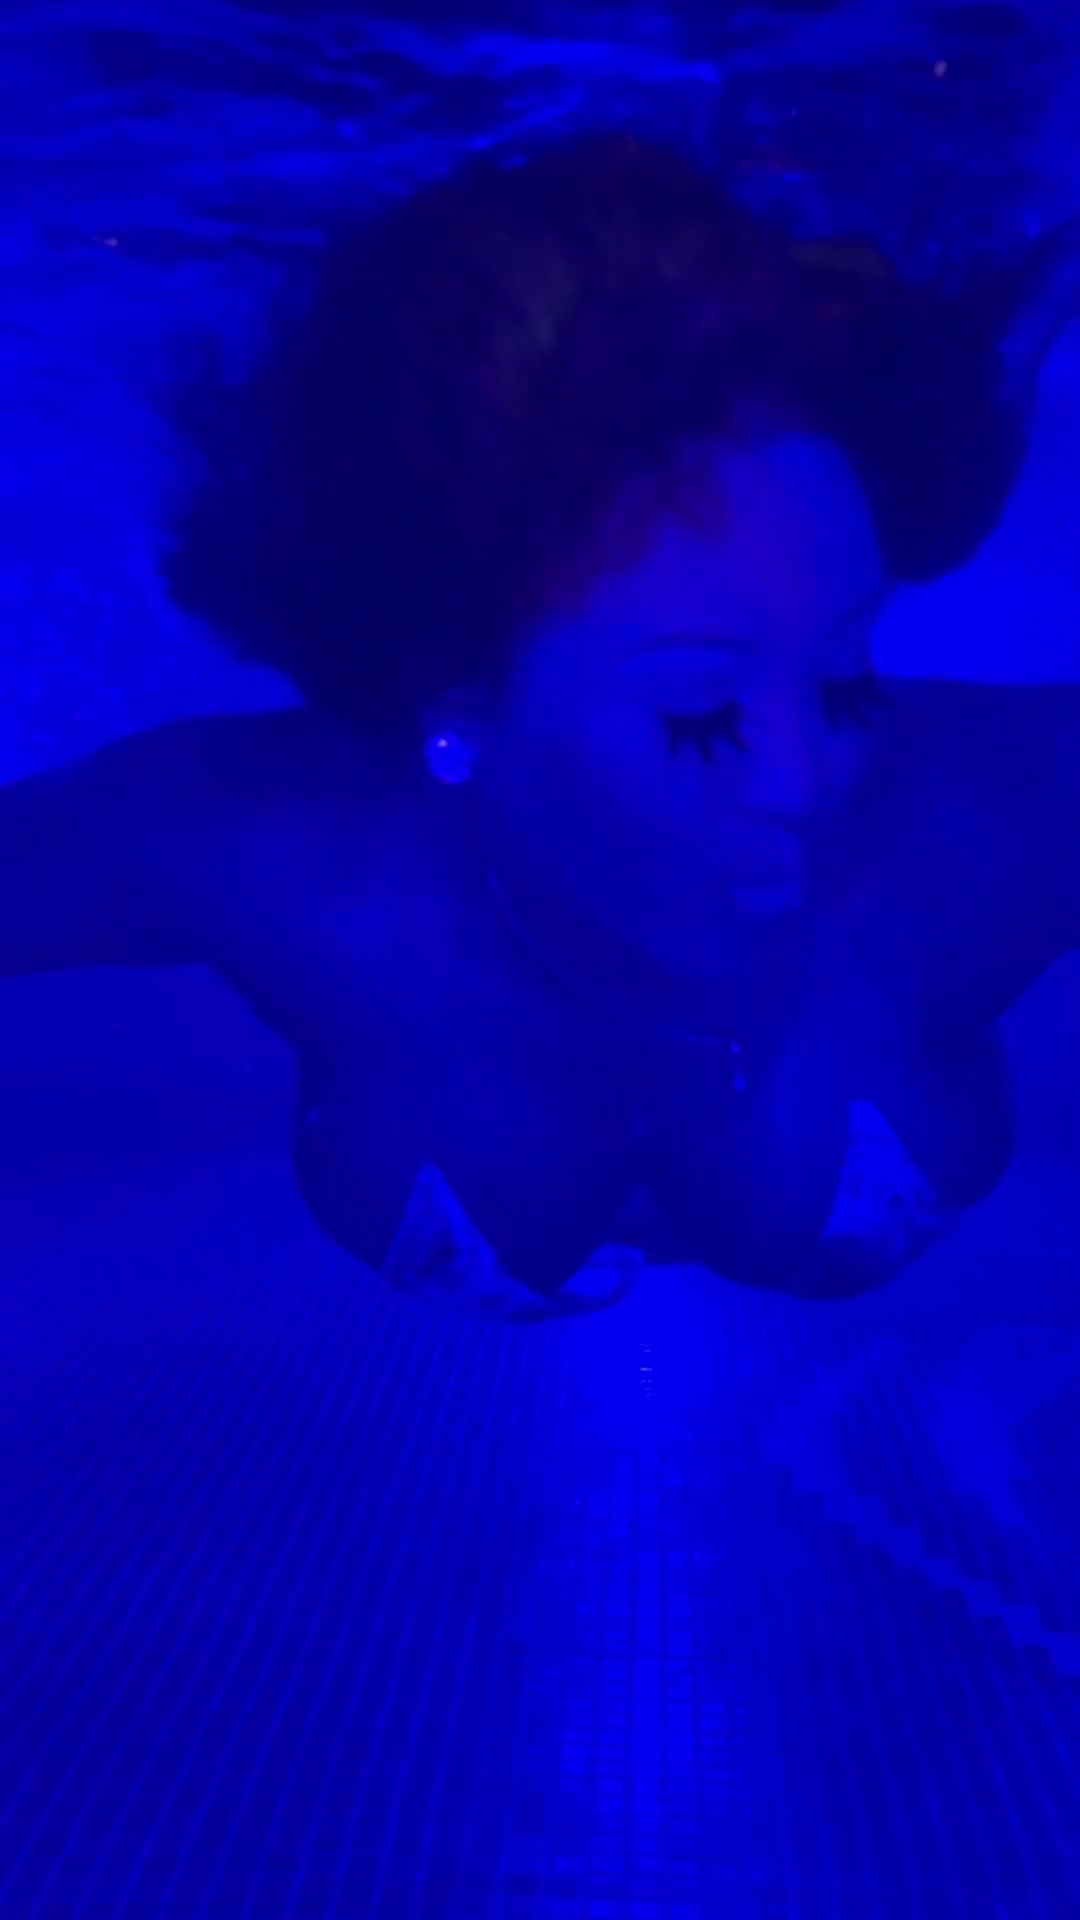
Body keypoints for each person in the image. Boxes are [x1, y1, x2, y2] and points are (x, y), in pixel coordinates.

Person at [2, 128, 1078, 1319]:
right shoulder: (278, 854)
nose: (807, 781)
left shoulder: (984, 823)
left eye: (843, 675)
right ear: (459, 692)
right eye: (699, 713)